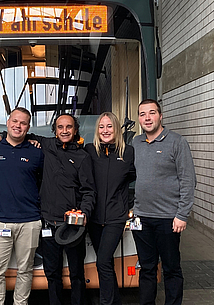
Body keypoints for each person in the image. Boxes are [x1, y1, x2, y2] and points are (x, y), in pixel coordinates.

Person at [132, 99, 196, 305]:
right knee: (147, 268)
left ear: (161, 116)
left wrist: (182, 214)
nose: (147, 118)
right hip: (141, 218)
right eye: (142, 114)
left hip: (169, 219)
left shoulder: (177, 142)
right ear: (139, 118)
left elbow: (188, 180)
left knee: (171, 268)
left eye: (152, 113)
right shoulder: (135, 143)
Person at [0, 107, 44, 305]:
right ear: (8, 123)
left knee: (25, 270)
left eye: (23, 123)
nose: (18, 126)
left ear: (28, 127)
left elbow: (44, 181)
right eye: (15, 121)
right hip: (0, 221)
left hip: (30, 221)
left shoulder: (37, 152)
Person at [34, 114, 96, 305]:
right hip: (49, 223)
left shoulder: (83, 156)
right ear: (55, 130)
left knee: (77, 272)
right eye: (60, 127)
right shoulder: (47, 146)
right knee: (52, 273)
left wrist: (84, 212)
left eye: (69, 127)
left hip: (72, 225)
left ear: (75, 130)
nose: (64, 131)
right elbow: (20, 134)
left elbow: (89, 191)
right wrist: (1, 136)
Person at [84, 112, 136, 305]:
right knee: (105, 264)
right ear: (97, 130)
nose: (105, 131)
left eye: (109, 126)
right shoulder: (89, 151)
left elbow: (134, 177)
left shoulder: (128, 153)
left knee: (103, 262)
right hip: (94, 218)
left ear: (116, 129)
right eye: (101, 127)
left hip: (115, 217)